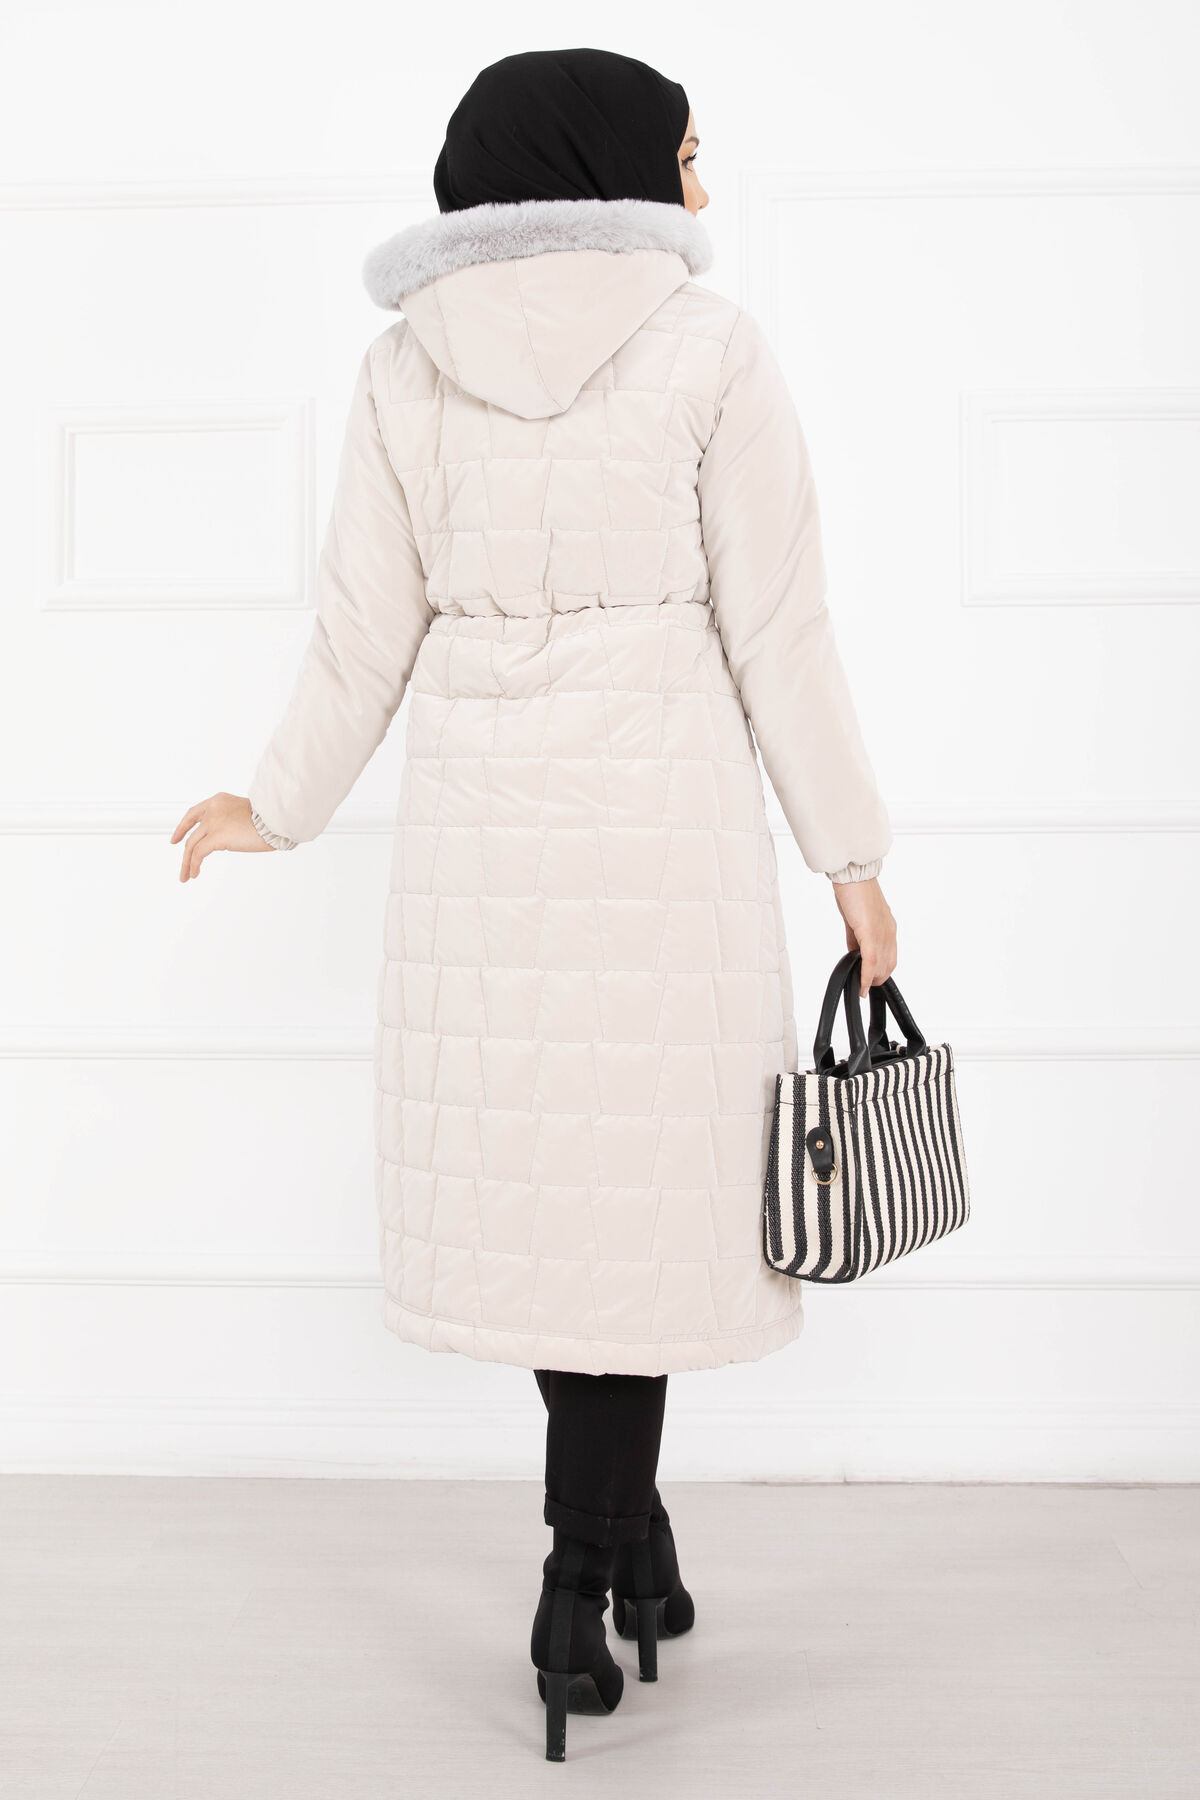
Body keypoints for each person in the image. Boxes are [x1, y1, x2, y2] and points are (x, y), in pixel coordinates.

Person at [171, 47, 897, 1762]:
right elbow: (779, 626)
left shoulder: (404, 366)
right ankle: (581, 1579)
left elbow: (366, 623)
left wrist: (281, 799)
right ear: (609, 162)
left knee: (559, 1209)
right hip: (666, 840)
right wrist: (853, 858)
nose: (704, 189)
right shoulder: (710, 346)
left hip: (482, 852)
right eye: (688, 156)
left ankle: (628, 1545)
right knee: (638, 1214)